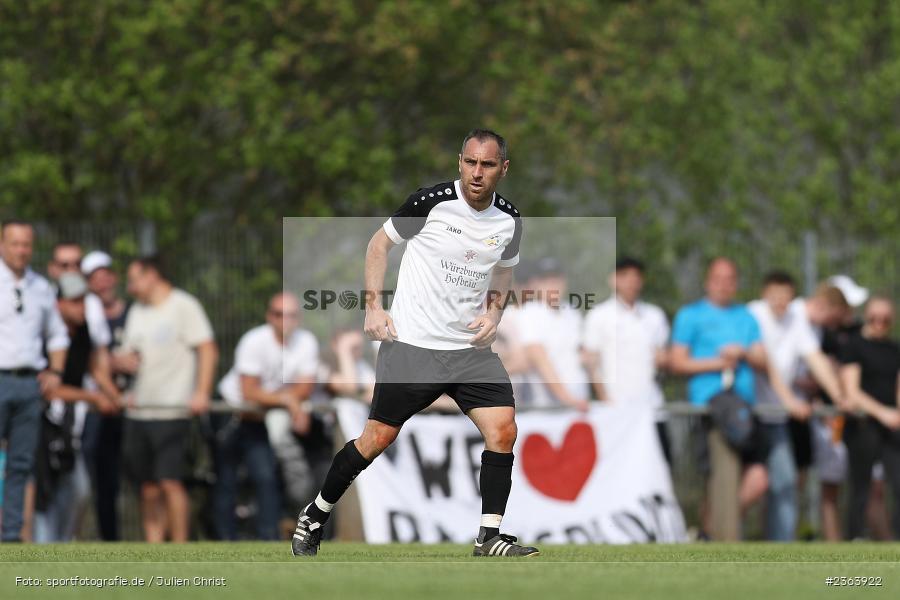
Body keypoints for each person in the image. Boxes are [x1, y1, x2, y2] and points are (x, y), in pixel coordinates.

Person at [291, 128, 538, 557]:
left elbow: (503, 270)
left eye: (488, 164)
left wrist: (494, 314)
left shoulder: (509, 219)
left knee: (503, 430)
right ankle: (315, 514)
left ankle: (489, 536)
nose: (477, 172)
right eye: (470, 162)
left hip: (469, 352)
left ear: (504, 169)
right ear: (459, 161)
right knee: (375, 440)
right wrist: (373, 307)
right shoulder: (430, 202)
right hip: (413, 348)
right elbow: (378, 245)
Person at [117, 254, 218, 542]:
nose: (130, 287)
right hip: (139, 411)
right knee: (147, 488)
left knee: (170, 482)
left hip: (171, 411)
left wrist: (201, 392)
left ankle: (180, 546)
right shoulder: (136, 311)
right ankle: (154, 547)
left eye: (134, 279)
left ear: (151, 276)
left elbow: (207, 349)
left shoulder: (183, 305)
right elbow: (130, 353)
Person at [669, 257, 769, 538]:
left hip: (745, 407)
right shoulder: (691, 315)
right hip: (713, 406)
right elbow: (677, 362)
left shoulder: (746, 317)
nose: (724, 285)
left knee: (757, 478)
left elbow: (762, 359)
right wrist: (718, 362)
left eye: (730, 279)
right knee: (724, 476)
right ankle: (725, 542)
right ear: (707, 281)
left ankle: (706, 532)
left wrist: (743, 353)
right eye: (718, 279)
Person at [748, 271, 845, 541]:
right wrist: (790, 401)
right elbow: (767, 366)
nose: (781, 303)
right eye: (775, 296)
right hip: (748, 415)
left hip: (776, 418)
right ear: (764, 293)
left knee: (785, 482)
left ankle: (780, 548)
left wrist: (838, 396)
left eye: (785, 298)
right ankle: (712, 534)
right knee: (750, 486)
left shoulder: (795, 321)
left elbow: (816, 359)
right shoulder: (752, 314)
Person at [215, 292, 316, 540]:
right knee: (226, 478)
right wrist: (287, 399)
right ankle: (224, 539)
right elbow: (249, 392)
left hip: (258, 418)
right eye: (279, 314)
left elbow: (305, 387)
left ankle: (268, 538)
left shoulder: (306, 342)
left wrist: (288, 399)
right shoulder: (254, 341)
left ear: (299, 318)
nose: (285, 321)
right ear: (269, 316)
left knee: (265, 477)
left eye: (291, 315)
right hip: (231, 412)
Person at [33, 273, 118, 542]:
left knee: (76, 489)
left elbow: (94, 367)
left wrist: (114, 396)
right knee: (44, 492)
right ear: (58, 304)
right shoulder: (44, 335)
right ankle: (44, 552)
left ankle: (61, 546)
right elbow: (48, 388)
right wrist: (92, 398)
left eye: (84, 301)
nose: (81, 307)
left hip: (69, 428)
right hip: (41, 426)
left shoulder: (82, 332)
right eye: (75, 302)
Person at [0, 220, 69, 543]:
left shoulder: (40, 287)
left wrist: (55, 372)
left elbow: (57, 334)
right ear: (2, 244)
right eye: (15, 243)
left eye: (26, 244)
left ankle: (12, 535)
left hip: (29, 384)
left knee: (22, 463)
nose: (21, 250)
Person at [583, 257, 671, 460]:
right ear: (612, 280)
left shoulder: (654, 315)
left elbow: (663, 358)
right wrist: (605, 400)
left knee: (660, 469)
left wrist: (663, 360)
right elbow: (592, 364)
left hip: (652, 408)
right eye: (624, 275)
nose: (631, 281)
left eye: (636, 276)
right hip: (617, 411)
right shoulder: (599, 315)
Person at [79, 250, 131, 541]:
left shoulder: (133, 313)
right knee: (95, 482)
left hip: (129, 408)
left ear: (114, 277)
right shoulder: (82, 312)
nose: (102, 283)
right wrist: (113, 364)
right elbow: (91, 360)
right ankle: (95, 538)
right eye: (94, 278)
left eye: (105, 275)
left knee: (132, 480)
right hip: (96, 409)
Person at [839, 296, 900, 539]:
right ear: (867, 315)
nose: (879, 323)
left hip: (892, 425)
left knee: (898, 482)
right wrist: (883, 413)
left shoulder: (895, 349)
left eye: (885, 319)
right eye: (875, 317)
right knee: (860, 486)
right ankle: (854, 536)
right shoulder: (854, 345)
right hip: (863, 423)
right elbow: (852, 391)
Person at [517, 258, 591, 411]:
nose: (552, 285)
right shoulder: (529, 313)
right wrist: (568, 399)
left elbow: (584, 356)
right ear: (536, 284)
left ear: (564, 281)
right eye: (546, 280)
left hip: (580, 400)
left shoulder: (573, 312)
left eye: (556, 279)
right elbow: (540, 360)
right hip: (548, 407)